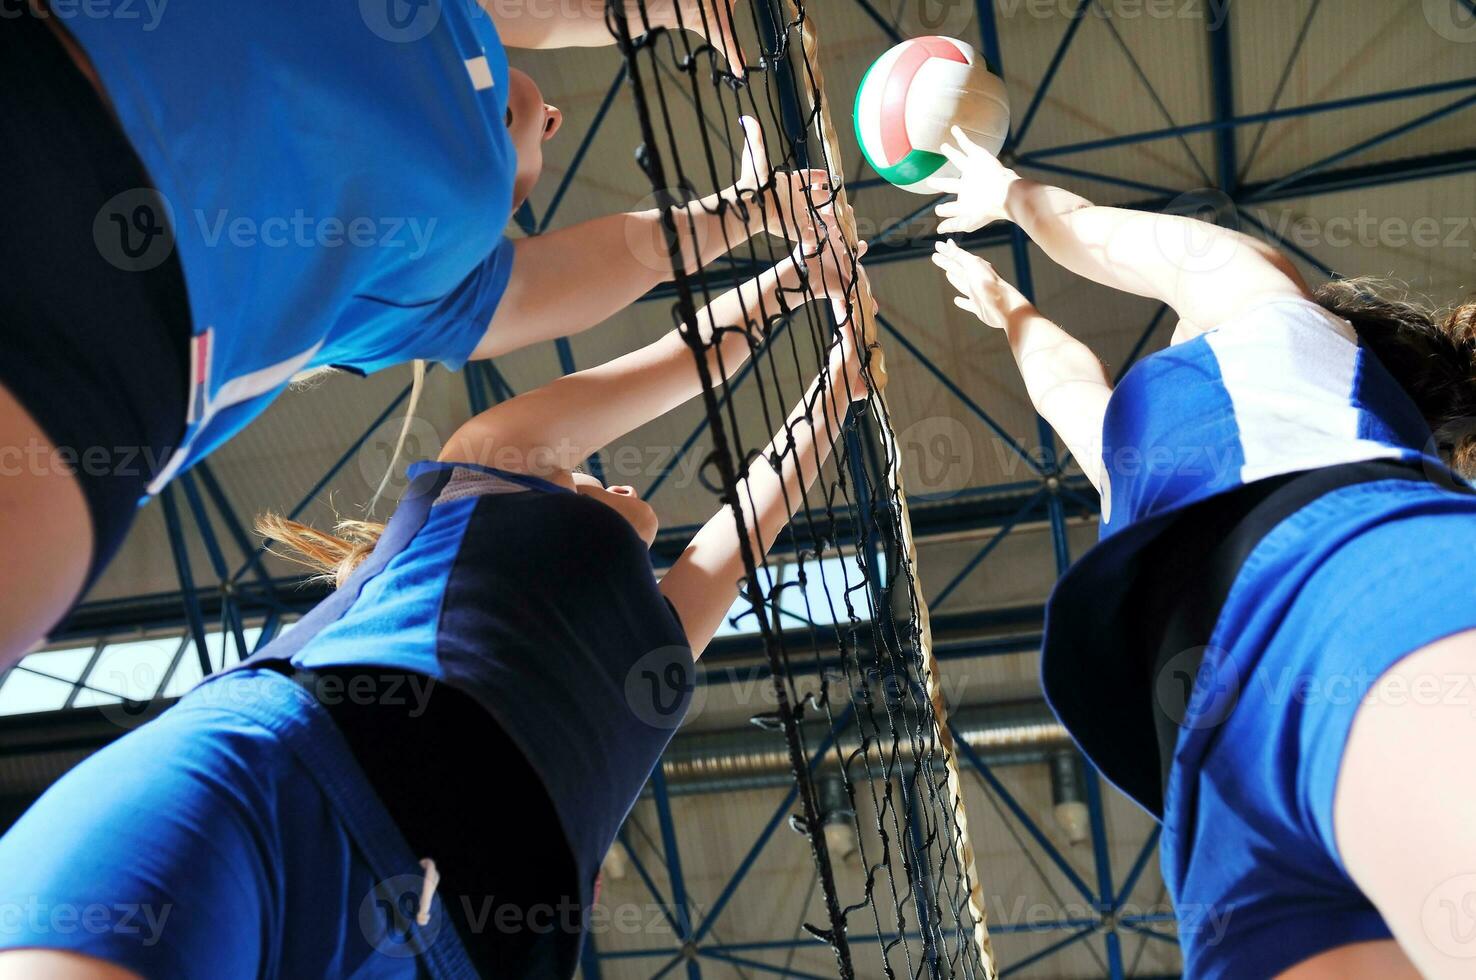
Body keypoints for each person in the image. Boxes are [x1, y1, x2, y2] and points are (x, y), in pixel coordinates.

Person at [0, 227, 873, 979]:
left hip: (415, 942)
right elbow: (752, 521)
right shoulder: (652, 643)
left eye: (593, 478)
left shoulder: (489, 469)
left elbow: (690, 363)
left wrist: (814, 292)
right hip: (275, 795)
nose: (619, 475)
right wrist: (834, 362)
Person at [0, 0, 828, 670]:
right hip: (50, 98)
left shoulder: (423, 284)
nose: (556, 122)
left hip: (111, 376)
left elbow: (578, 271)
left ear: (507, 211)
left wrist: (750, 213)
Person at [930, 126, 1476, 979]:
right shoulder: (1142, 466)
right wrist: (1011, 309)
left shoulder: (1269, 299)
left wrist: (1004, 192)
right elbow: (1069, 385)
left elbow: (1079, 227)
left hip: (1340, 581)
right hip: (1217, 786)